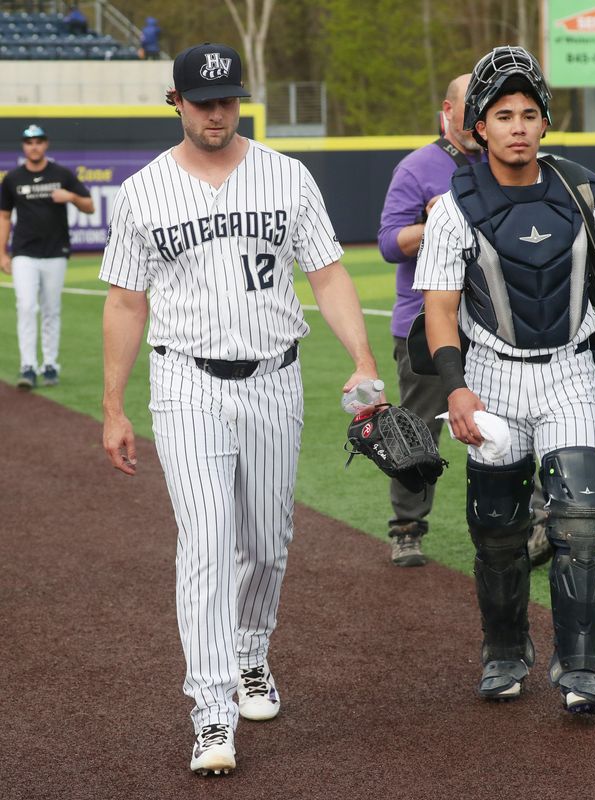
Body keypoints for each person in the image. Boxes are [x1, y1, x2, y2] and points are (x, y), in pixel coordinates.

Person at [99, 42, 381, 776]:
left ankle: (251, 653)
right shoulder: (145, 192)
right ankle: (211, 712)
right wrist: (112, 406)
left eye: (226, 99)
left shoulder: (287, 177)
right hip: (185, 383)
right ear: (176, 102)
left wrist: (362, 358)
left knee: (266, 539)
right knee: (207, 541)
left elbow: (327, 274)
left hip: (273, 381)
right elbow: (127, 301)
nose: (216, 111)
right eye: (201, 100)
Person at [415, 46, 595, 714]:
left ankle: (580, 670)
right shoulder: (454, 206)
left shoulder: (582, 191)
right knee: (498, 528)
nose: (517, 125)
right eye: (503, 114)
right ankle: (505, 653)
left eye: (529, 114)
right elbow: (440, 310)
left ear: (545, 123)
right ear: (478, 127)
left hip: (570, 372)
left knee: (583, 520)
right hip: (488, 378)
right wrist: (455, 386)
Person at [377, 73, 483, 566]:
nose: (482, 115)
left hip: (493, 325)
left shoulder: (509, 161)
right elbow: (387, 243)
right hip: (423, 325)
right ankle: (407, 528)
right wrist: (436, 221)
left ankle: (524, 523)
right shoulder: (418, 166)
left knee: (512, 424)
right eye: (473, 105)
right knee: (419, 431)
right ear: (447, 108)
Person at [0, 124, 95, 390]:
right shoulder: (12, 179)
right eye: (29, 142)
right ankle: (28, 366)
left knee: (51, 309)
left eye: (39, 142)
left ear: (46, 145)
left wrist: (71, 196)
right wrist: (2, 252)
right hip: (24, 252)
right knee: (27, 307)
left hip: (55, 251)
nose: (34, 146)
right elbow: (4, 216)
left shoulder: (62, 174)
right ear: (24, 146)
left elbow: (89, 206)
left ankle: (50, 365)